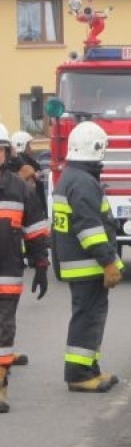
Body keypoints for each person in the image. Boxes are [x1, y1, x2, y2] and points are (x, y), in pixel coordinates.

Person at [52, 121, 123, 392]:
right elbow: (89, 229)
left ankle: (89, 368)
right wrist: (108, 262)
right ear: (95, 148)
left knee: (90, 315)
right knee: (88, 317)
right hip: (88, 265)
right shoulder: (82, 181)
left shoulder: (71, 176)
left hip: (78, 264)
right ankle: (80, 375)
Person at [0, 124, 49, 412]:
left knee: (3, 333)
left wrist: (41, 264)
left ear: (7, 153)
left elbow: (35, 230)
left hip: (7, 274)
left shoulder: (19, 188)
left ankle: (1, 386)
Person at [10, 130, 47, 210]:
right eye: (28, 145)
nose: (31, 149)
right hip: (31, 207)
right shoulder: (23, 163)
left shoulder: (19, 162)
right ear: (22, 145)